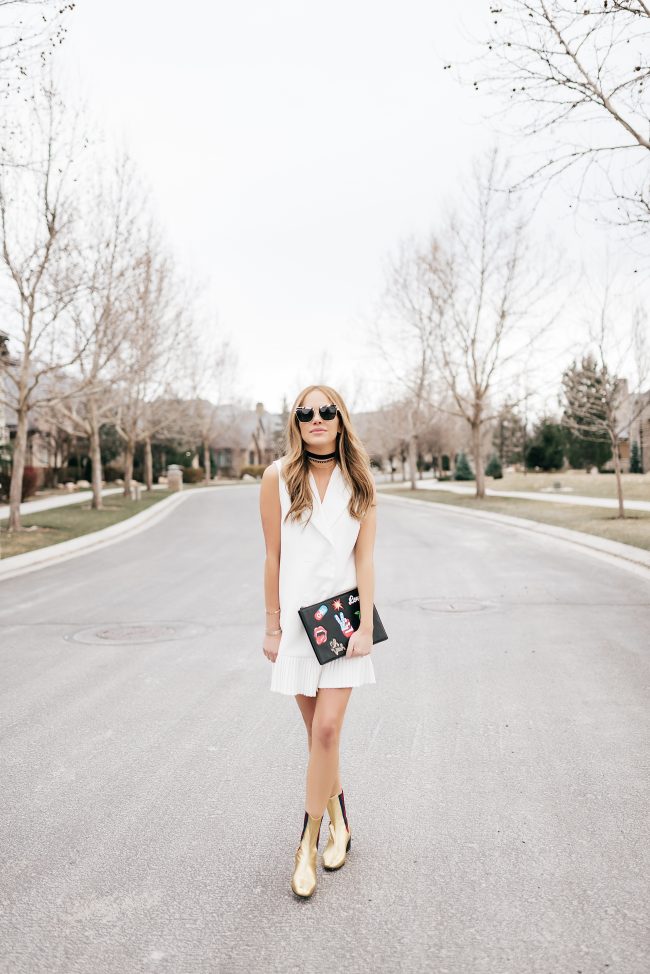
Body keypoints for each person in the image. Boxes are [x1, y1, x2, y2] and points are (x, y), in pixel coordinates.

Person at [259, 383, 378, 899]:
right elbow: (272, 557)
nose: (316, 419)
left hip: (344, 625)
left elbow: (365, 560)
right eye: (305, 413)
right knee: (318, 741)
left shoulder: (361, 481)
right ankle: (343, 824)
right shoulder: (278, 478)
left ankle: (306, 843)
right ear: (297, 423)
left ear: (340, 418)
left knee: (327, 730)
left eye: (326, 411)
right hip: (298, 629)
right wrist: (272, 624)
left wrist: (367, 627)